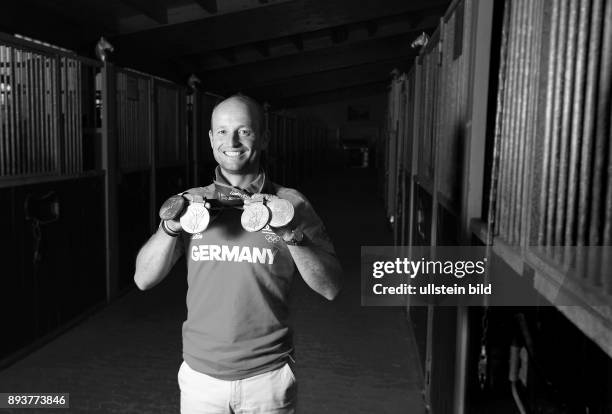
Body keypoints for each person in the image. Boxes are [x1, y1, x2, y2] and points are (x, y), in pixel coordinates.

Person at [133, 94, 343, 414]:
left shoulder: (292, 203)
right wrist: (171, 227)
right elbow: (143, 279)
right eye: (221, 132)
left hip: (268, 377)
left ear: (264, 137)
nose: (231, 141)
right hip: (201, 377)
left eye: (244, 131)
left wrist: (290, 233)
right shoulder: (190, 204)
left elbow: (330, 287)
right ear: (210, 139)